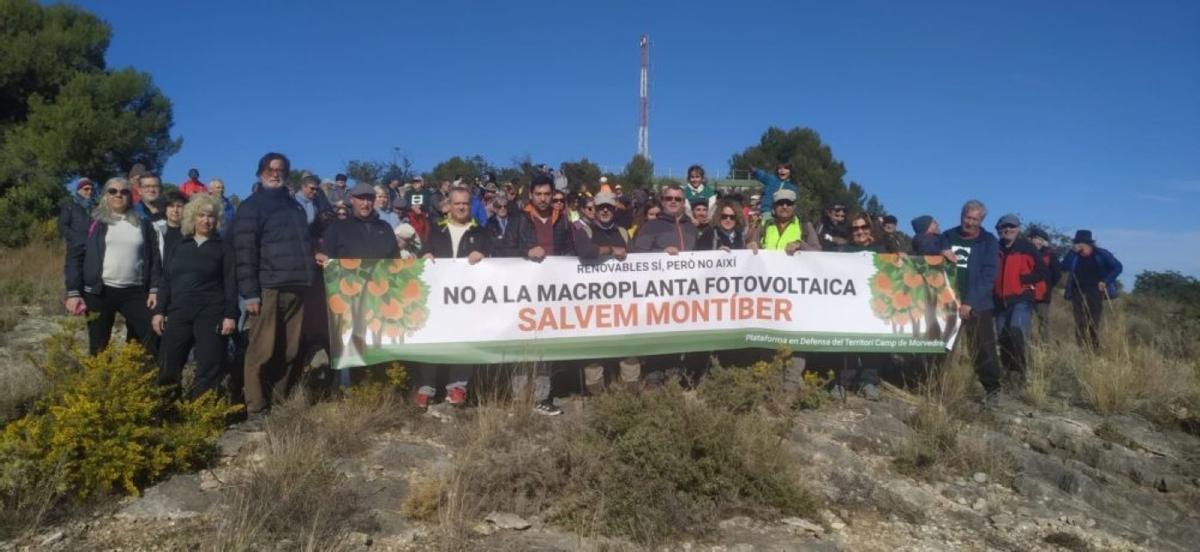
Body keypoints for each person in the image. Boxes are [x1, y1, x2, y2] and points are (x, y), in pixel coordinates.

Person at [232, 153, 316, 421]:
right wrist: (250, 293)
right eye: (270, 169)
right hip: (268, 289)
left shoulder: (295, 207)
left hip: (297, 287)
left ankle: (279, 403)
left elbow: (302, 245)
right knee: (261, 351)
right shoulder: (251, 207)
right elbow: (244, 253)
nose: (275, 173)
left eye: (280, 170)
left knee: (289, 351)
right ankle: (256, 408)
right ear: (260, 173)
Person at [152, 194, 238, 399]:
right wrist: (159, 311)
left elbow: (231, 284)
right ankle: (168, 408)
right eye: (201, 215)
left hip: (211, 313)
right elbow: (166, 280)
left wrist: (230, 315)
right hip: (178, 312)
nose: (206, 220)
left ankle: (200, 411)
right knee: (168, 362)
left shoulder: (224, 248)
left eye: (211, 216)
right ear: (192, 217)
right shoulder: (179, 246)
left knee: (209, 365)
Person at [63, 177, 161, 355]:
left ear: (130, 196)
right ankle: (102, 374)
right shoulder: (93, 222)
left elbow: (154, 258)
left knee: (150, 335)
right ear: (105, 195)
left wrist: (154, 289)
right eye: (113, 191)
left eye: (124, 191)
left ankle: (136, 370)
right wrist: (73, 292)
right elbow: (75, 257)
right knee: (99, 346)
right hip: (99, 292)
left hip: (135, 291)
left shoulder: (143, 223)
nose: (118, 195)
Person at [415, 187, 491, 408]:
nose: (461, 207)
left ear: (471, 206)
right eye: (457, 203)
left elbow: (493, 259)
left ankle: (458, 387)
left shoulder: (481, 232)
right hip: (438, 298)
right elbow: (423, 252)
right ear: (449, 205)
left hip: (467, 298)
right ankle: (426, 388)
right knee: (431, 340)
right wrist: (425, 254)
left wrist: (483, 255)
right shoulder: (436, 230)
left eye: (465, 203)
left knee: (464, 340)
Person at [509, 174, 575, 415]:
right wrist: (526, 251)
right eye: (538, 194)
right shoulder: (519, 219)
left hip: (552, 292)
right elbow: (503, 249)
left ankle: (541, 397)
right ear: (530, 195)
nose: (543, 198)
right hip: (523, 291)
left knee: (545, 344)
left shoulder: (562, 220)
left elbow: (569, 249)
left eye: (547, 194)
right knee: (522, 343)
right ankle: (519, 398)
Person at [631, 184, 702, 385]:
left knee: (679, 335)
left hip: (685, 293)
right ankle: (653, 378)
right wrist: (660, 255)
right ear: (662, 201)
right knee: (658, 336)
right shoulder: (651, 226)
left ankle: (674, 379)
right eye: (669, 198)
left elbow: (701, 256)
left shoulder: (691, 227)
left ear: (683, 202)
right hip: (657, 293)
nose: (673, 201)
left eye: (678, 199)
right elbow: (636, 254)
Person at [943, 200, 1002, 402]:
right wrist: (940, 252)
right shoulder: (947, 236)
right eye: (967, 217)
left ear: (981, 221)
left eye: (975, 219)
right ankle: (936, 386)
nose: (969, 222)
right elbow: (928, 250)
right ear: (961, 216)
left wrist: (970, 302)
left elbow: (989, 275)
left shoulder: (988, 241)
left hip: (978, 304)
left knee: (982, 348)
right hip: (947, 302)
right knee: (942, 346)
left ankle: (992, 390)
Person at [832, 214, 885, 400]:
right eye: (855, 228)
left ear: (870, 229)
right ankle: (843, 382)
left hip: (874, 305)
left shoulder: (881, 251)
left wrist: (900, 258)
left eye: (864, 227)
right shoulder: (843, 251)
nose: (860, 231)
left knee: (873, 343)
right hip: (850, 304)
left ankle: (868, 382)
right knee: (848, 343)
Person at [992, 214, 1047, 386]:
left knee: (1017, 331)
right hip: (1000, 301)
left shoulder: (1027, 247)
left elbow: (1042, 271)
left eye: (1012, 226)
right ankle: (1009, 373)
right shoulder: (994, 248)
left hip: (1021, 299)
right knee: (1003, 338)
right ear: (999, 230)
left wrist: (1022, 280)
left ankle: (1023, 370)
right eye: (1004, 227)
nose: (1008, 229)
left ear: (1018, 229)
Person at [1062, 230, 1122, 349]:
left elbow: (1117, 267)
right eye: (1076, 243)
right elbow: (1064, 266)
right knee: (1080, 321)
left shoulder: (1101, 254)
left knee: (1093, 321)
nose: (1078, 245)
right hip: (1077, 291)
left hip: (1095, 291)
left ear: (1088, 244)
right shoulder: (1074, 256)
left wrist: (1106, 281)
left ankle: (1094, 348)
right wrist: (1072, 252)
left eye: (1080, 243)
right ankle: (1082, 347)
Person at [1027, 227, 1062, 340]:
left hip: (1042, 295)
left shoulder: (1049, 255)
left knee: (1043, 321)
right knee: (1026, 321)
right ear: (1030, 239)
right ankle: (1027, 344)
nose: (1039, 242)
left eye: (1041, 240)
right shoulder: (1023, 253)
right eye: (1037, 239)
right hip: (1025, 293)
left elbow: (1057, 273)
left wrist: (1049, 286)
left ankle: (1044, 346)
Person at [759, 189, 819, 254]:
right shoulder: (764, 225)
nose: (784, 206)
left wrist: (800, 245)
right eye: (780, 203)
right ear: (774, 206)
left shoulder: (805, 226)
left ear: (794, 206)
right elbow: (753, 246)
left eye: (789, 203)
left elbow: (818, 253)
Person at [58, 177, 95, 245]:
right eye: (86, 189)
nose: (90, 191)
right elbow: (62, 226)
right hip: (76, 248)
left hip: (92, 248)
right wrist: (77, 239)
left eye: (91, 189)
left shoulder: (94, 209)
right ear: (78, 190)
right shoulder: (69, 207)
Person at [156, 192, 186, 264]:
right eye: (171, 206)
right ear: (165, 209)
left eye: (179, 206)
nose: (175, 210)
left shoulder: (190, 232)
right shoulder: (156, 230)